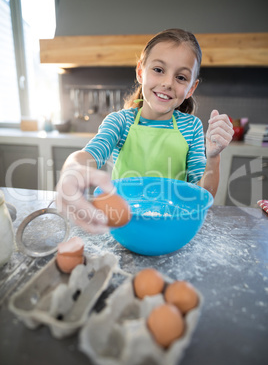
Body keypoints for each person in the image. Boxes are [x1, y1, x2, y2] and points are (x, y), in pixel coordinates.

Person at [56, 28, 234, 234]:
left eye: (181, 77)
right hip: (125, 225)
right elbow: (89, 154)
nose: (168, 83)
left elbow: (202, 195)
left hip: (171, 227)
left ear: (191, 89)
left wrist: (214, 157)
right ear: (141, 72)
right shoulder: (120, 122)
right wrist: (71, 170)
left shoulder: (191, 127)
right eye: (159, 70)